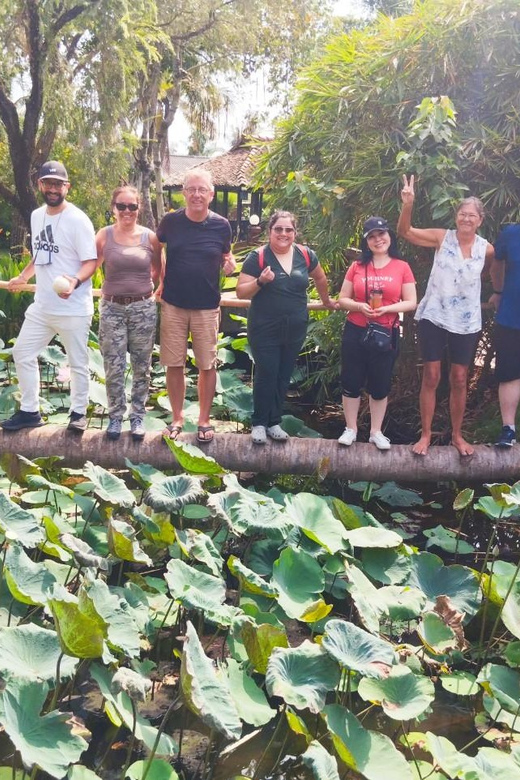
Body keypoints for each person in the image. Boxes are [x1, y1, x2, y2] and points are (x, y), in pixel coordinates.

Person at [397, 175, 494, 456]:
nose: (466, 219)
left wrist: (494, 291)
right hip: (434, 316)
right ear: (456, 216)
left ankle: (457, 435)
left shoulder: (486, 249)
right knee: (431, 374)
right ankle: (425, 435)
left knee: (460, 377)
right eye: (462, 214)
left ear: (480, 220)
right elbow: (406, 232)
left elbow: (490, 271)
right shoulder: (442, 237)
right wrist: (408, 204)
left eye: (472, 215)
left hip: (467, 321)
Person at [1, 161, 97, 433]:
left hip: (74, 308)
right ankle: (30, 411)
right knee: (22, 352)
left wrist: (74, 281)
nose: (53, 188)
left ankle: (78, 413)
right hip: (42, 307)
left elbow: (91, 262)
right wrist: (23, 276)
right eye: (48, 183)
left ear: (67, 187)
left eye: (58, 184)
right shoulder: (36, 215)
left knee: (78, 362)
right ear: (40, 185)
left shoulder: (78, 220)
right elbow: (40, 254)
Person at [236, 210, 335, 445]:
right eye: (278, 229)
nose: (283, 233)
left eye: (288, 229)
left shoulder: (305, 254)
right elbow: (241, 291)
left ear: (294, 232)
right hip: (264, 327)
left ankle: (274, 422)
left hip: (295, 326)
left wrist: (327, 301)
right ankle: (259, 423)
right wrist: (261, 281)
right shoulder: (258, 256)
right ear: (270, 231)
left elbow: (320, 278)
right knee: (267, 372)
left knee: (283, 374)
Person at [156, 169, 235, 443]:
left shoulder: (222, 225)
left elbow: (226, 254)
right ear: (184, 193)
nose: (197, 195)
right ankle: (177, 418)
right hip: (174, 304)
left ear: (211, 195)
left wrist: (230, 262)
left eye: (202, 190)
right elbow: (157, 250)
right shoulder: (170, 222)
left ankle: (203, 419)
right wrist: (160, 279)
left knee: (206, 364)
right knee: (173, 363)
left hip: (206, 305)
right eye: (192, 189)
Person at [337, 217, 416, 450]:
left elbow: (411, 302)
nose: (377, 240)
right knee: (351, 380)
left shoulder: (402, 266)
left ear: (390, 236)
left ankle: (376, 431)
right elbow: (342, 299)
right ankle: (350, 428)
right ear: (366, 242)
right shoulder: (357, 266)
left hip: (386, 331)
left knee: (380, 384)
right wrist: (359, 306)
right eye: (372, 236)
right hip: (356, 329)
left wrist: (387, 309)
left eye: (381, 234)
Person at [96, 186, 162, 441]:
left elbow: (158, 269)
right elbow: (91, 263)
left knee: (141, 365)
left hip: (142, 308)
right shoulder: (104, 235)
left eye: (132, 206)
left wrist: (146, 290)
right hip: (112, 307)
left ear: (138, 208)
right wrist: (73, 281)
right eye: (121, 206)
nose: (127, 211)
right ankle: (115, 417)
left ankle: (137, 417)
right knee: (113, 365)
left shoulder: (150, 237)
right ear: (113, 208)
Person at [490, 223, 520, 447]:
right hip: (511, 316)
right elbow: (496, 261)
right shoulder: (511, 233)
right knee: (509, 374)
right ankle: (508, 429)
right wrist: (498, 291)